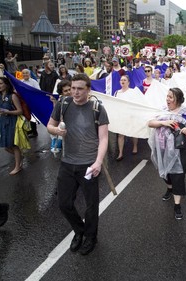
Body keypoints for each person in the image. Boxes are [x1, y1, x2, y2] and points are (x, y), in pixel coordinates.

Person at [46, 74, 109, 255]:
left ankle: (90, 237)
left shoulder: (97, 108)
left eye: (80, 88)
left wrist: (98, 162)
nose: (75, 92)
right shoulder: (63, 104)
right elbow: (50, 125)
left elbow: (104, 138)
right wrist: (56, 130)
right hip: (67, 162)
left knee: (91, 205)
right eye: (73, 88)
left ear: (88, 90)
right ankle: (79, 230)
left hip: (89, 164)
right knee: (64, 203)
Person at [148, 88, 186, 220]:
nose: (168, 99)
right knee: (165, 172)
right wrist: (163, 122)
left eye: (171, 97)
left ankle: (177, 205)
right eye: (167, 96)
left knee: (178, 175)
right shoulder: (163, 109)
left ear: (178, 99)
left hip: (182, 149)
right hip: (163, 149)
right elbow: (150, 123)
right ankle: (169, 188)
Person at [0, 76, 24, 175]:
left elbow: (20, 111)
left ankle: (18, 166)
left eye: (0, 83)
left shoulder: (12, 96)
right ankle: (20, 157)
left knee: (13, 145)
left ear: (6, 84)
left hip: (12, 122)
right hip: (3, 121)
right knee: (6, 146)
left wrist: (8, 112)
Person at [114, 75, 139, 160]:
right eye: (121, 80)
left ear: (128, 82)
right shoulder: (117, 92)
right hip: (121, 116)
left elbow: (136, 103)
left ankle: (135, 146)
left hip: (131, 115)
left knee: (133, 132)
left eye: (124, 80)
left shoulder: (132, 92)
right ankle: (120, 153)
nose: (123, 81)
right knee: (121, 134)